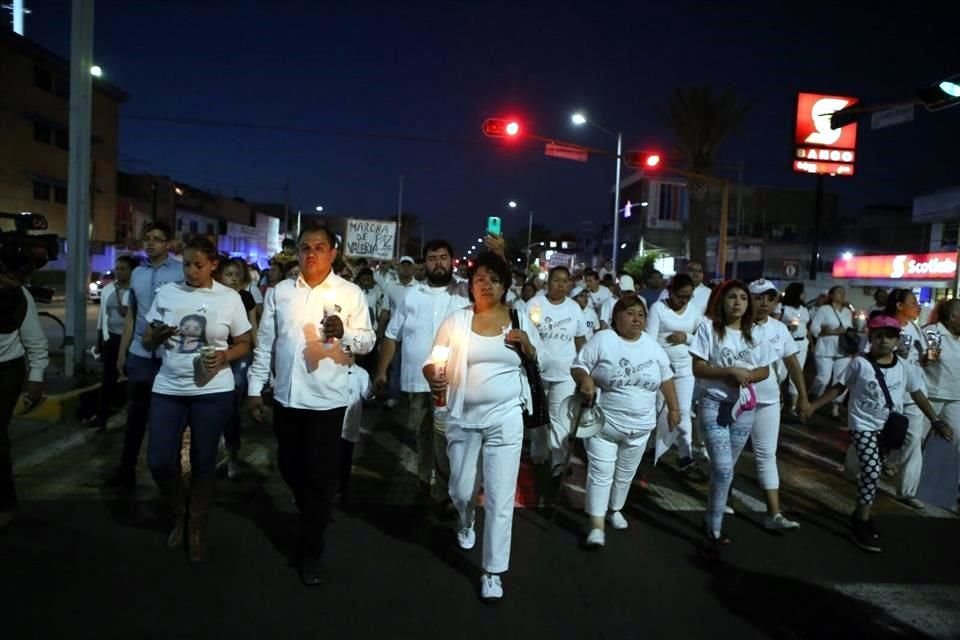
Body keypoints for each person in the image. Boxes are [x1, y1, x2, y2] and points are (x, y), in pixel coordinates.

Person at [248, 225, 375, 585]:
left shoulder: (349, 293)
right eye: (305, 247)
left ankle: (310, 550)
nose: (312, 254)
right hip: (288, 398)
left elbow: (367, 341)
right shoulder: (281, 292)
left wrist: (344, 333)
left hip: (327, 401)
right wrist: (255, 389)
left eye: (320, 247)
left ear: (333, 253)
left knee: (320, 476)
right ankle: (313, 511)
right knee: (290, 465)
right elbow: (266, 343)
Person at [423, 252, 542, 602]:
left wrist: (529, 347)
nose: (486, 284)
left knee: (500, 498)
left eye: (494, 279)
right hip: (463, 416)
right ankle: (465, 519)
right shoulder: (457, 320)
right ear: (471, 286)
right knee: (461, 490)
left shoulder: (519, 318)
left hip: (506, 416)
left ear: (505, 286)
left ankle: (493, 571)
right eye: (479, 279)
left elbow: (543, 359)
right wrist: (432, 374)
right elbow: (433, 359)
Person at [143, 237, 252, 562]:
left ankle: (196, 524)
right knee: (159, 460)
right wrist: (156, 336)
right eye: (187, 264)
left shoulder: (229, 298)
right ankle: (180, 510)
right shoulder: (167, 293)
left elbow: (245, 342)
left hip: (213, 390)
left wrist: (224, 356)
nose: (191, 271)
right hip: (168, 387)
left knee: (204, 460)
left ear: (213, 265)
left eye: (198, 265)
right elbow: (147, 339)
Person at [806, 314, 952, 552]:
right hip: (862, 425)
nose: (884, 340)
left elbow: (917, 393)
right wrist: (813, 406)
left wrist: (935, 420)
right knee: (873, 471)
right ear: (871, 338)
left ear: (897, 340)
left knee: (871, 474)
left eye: (890, 336)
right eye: (879, 336)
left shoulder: (904, 367)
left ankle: (860, 513)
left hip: (888, 428)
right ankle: (862, 522)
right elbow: (838, 387)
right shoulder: (859, 364)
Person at [572, 295, 680, 547]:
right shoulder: (603, 339)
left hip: (641, 428)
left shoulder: (652, 346)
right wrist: (585, 380)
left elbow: (666, 378)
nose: (636, 319)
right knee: (601, 473)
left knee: (625, 474)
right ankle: (596, 525)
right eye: (630, 313)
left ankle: (615, 509)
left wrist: (674, 408)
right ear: (616, 318)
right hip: (604, 425)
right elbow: (579, 366)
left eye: (640, 315)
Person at [374, 240, 469, 505]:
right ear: (424, 263)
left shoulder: (464, 292)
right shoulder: (412, 296)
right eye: (432, 258)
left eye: (443, 257)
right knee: (423, 433)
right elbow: (392, 335)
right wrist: (381, 372)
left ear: (452, 261)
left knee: (446, 436)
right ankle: (424, 479)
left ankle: (445, 489)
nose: (438, 263)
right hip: (417, 381)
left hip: (453, 381)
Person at [691, 280, 772, 555]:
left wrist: (748, 376)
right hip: (713, 404)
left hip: (744, 408)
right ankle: (714, 527)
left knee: (725, 470)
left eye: (743, 298)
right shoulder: (708, 328)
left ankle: (710, 518)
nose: (737, 302)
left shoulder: (755, 333)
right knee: (723, 468)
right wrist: (728, 372)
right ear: (721, 301)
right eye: (731, 297)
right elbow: (698, 368)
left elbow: (765, 370)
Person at [108, 222, 182, 489]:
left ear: (168, 243)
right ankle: (126, 470)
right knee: (136, 415)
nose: (151, 243)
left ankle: (171, 472)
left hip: (169, 354)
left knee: (169, 417)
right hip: (140, 353)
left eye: (158, 239)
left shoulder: (179, 271)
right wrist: (122, 353)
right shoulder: (138, 273)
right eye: (147, 238)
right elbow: (132, 315)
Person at [748, 279, 811, 530]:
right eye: (758, 297)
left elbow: (792, 364)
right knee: (727, 456)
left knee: (766, 455)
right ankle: (718, 508)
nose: (764, 303)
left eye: (770, 298)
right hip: (737, 402)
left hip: (769, 401)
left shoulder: (780, 329)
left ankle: (774, 514)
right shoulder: (734, 326)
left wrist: (803, 396)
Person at [524, 266, 587, 472]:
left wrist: (584, 368)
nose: (561, 285)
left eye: (565, 281)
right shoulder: (535, 304)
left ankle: (558, 461)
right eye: (556, 280)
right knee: (538, 414)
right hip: (537, 372)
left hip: (565, 373)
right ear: (547, 282)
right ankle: (539, 451)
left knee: (560, 416)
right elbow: (526, 334)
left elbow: (579, 339)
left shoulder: (574, 308)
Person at [0, 273, 48, 529]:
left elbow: (34, 338)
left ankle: (5, 504)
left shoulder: (18, 294)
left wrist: (36, 376)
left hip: (6, 371)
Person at [645, 273, 703, 473]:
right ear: (671, 292)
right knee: (660, 409)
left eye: (688, 297)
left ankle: (685, 454)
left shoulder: (694, 311)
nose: (684, 301)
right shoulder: (658, 308)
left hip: (686, 369)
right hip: (662, 369)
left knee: (684, 411)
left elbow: (703, 338)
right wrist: (661, 365)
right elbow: (650, 341)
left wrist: (686, 337)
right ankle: (653, 446)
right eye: (680, 296)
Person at [883, 289, 933, 509]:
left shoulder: (916, 328)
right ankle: (854, 467)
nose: (918, 306)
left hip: (913, 392)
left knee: (913, 441)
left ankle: (907, 491)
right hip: (889, 392)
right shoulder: (884, 326)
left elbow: (922, 358)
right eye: (913, 302)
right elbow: (869, 353)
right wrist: (893, 353)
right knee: (876, 434)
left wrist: (929, 358)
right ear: (899, 305)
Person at [217, 257, 259, 479]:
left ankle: (232, 454)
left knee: (234, 398)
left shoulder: (246, 297)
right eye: (228, 274)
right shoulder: (213, 297)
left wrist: (259, 352)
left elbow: (253, 326)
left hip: (241, 354)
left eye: (237, 275)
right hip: (217, 356)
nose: (233, 279)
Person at [919, 298, 960, 501]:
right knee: (916, 439)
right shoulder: (932, 332)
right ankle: (891, 463)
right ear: (953, 317)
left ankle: (946, 483)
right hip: (930, 395)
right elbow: (921, 360)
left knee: (956, 438)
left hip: (955, 397)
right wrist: (927, 358)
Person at [92, 255, 138, 430]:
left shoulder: (137, 290)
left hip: (132, 341)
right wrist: (99, 340)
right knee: (107, 379)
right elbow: (102, 316)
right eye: (117, 268)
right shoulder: (108, 289)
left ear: (132, 271)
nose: (119, 272)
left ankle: (133, 416)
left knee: (133, 379)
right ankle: (101, 417)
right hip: (111, 339)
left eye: (123, 269)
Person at [809, 286, 855, 419]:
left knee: (840, 380)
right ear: (831, 295)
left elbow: (850, 328)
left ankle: (835, 407)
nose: (842, 294)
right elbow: (814, 328)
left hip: (843, 350)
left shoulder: (847, 312)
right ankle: (814, 398)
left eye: (843, 292)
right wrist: (831, 331)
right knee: (823, 378)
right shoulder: (824, 309)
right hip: (825, 349)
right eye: (839, 292)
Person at [778, 283, 811, 414]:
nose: (805, 294)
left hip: (802, 342)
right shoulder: (782, 307)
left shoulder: (804, 309)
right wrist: (788, 327)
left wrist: (811, 343)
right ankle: (779, 398)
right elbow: (774, 323)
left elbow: (807, 327)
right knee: (782, 373)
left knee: (797, 372)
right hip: (786, 342)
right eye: (802, 292)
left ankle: (793, 405)